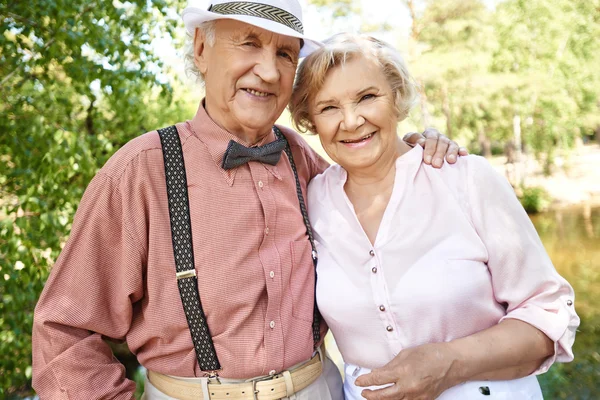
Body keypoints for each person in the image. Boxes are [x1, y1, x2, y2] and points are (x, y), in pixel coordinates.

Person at [31, 1, 466, 399]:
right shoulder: (140, 170)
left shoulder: (305, 160)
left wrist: (416, 147)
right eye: (249, 43)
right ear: (202, 48)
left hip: (319, 388)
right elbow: (64, 332)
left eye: (284, 54)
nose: (270, 72)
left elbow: (375, 189)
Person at [290, 33, 580, 400]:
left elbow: (549, 313)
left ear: (396, 97)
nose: (351, 120)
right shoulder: (313, 200)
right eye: (328, 107)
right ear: (310, 120)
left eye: (367, 97)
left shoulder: (466, 178)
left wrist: (449, 360)